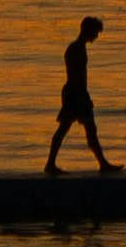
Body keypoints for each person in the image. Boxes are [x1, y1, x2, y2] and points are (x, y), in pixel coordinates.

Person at [45, 14, 113, 174]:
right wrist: (80, 96)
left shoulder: (77, 48)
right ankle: (50, 164)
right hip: (76, 93)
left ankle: (103, 163)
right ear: (88, 30)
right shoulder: (75, 49)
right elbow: (75, 75)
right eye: (95, 33)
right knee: (68, 129)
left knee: (86, 129)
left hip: (76, 92)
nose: (96, 36)